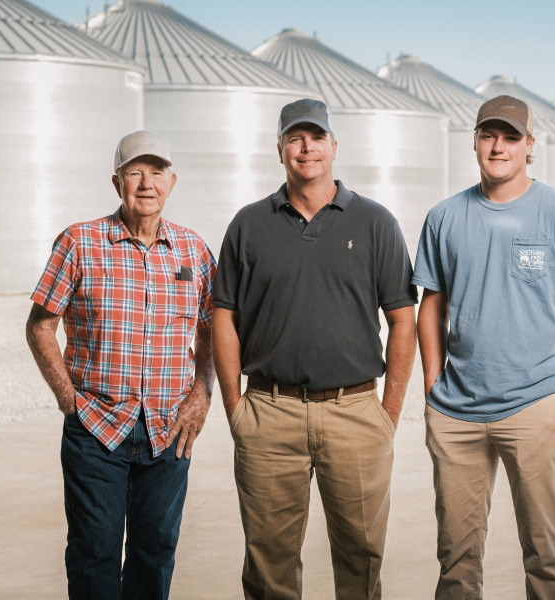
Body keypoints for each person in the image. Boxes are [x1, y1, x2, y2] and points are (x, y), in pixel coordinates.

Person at [212, 98, 418, 600]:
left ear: (333, 146)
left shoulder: (376, 223)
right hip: (268, 412)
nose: (307, 148)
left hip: (355, 414)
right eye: (296, 138)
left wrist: (387, 413)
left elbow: (402, 320)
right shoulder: (247, 224)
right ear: (279, 148)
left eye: (317, 137)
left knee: (361, 559)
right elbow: (223, 317)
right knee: (268, 567)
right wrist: (237, 409)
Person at [414, 95, 555, 599]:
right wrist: (434, 385)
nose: (497, 146)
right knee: (456, 561)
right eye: (488, 135)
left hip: (534, 409)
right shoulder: (444, 217)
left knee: (545, 556)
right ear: (475, 143)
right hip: (456, 414)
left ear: (530, 146)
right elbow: (430, 306)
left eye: (509, 137)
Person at [25, 130, 216, 600]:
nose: (146, 183)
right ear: (117, 183)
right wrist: (68, 398)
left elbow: (212, 330)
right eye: (135, 172)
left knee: (155, 552)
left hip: (169, 430)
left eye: (156, 172)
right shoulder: (79, 242)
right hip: (96, 428)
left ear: (172, 182)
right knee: (94, 554)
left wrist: (202, 394)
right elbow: (39, 326)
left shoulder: (193, 250)